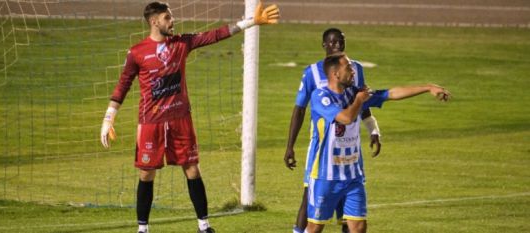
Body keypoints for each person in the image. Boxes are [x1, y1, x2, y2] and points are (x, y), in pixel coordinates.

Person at [99, 2, 279, 233]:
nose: (172, 21)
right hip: (150, 122)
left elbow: (215, 35)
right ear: (154, 21)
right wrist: (108, 118)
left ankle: (204, 226)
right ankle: (142, 229)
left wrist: (251, 21)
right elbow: (123, 85)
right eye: (167, 17)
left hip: (180, 119)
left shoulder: (181, 44)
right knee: (146, 174)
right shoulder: (137, 53)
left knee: (192, 170)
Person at [305, 54, 450, 233]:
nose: (353, 72)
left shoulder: (355, 93)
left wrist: (428, 87)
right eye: (349, 68)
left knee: (358, 227)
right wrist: (360, 100)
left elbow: (390, 93)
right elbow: (346, 118)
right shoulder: (321, 97)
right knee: (314, 228)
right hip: (325, 177)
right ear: (335, 74)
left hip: (353, 176)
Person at [285, 28, 382, 233]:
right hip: (322, 149)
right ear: (324, 45)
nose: (337, 45)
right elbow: (300, 110)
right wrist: (290, 146)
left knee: (350, 213)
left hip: (348, 151)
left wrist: (373, 129)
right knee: (308, 199)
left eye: (341, 41)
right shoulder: (311, 72)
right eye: (333, 42)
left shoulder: (355, 69)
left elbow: (362, 101)